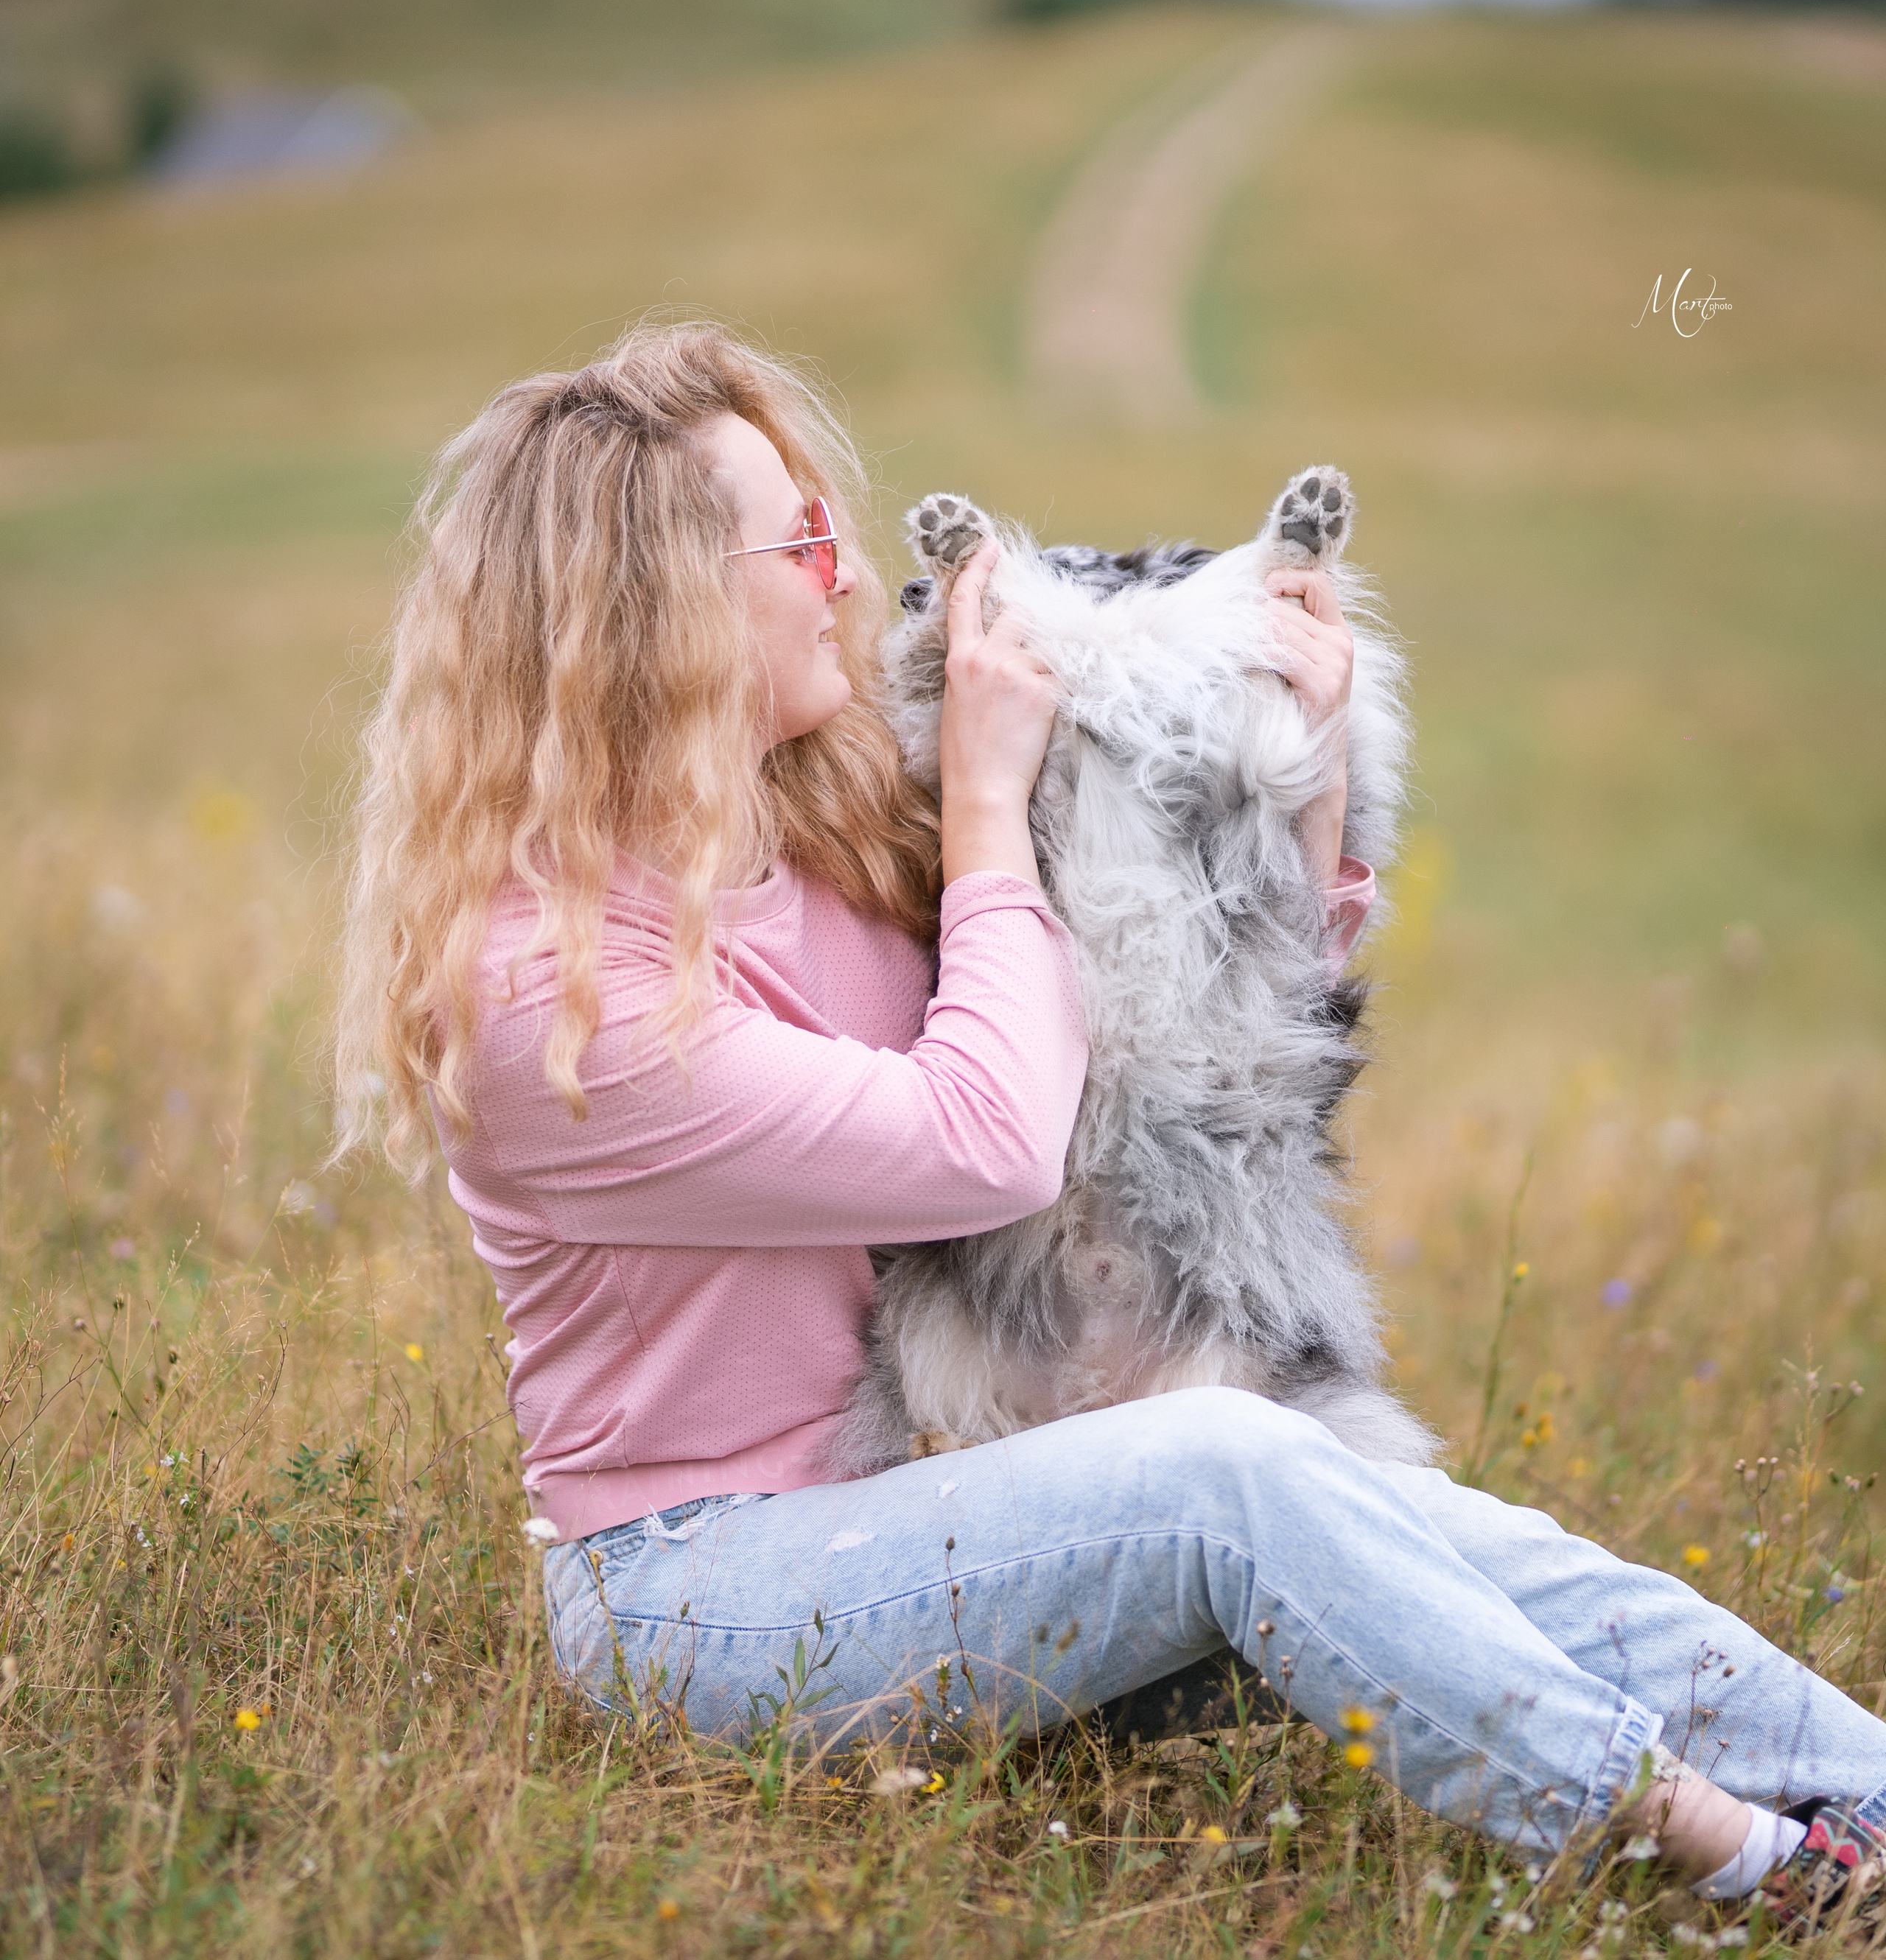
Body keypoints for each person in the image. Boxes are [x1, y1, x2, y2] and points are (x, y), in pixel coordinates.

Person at [336, 320, 1886, 1921]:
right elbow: (986, 1140)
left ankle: (1874, 1792)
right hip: (708, 1594)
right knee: (1234, 1466)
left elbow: (1169, 1038)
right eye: (798, 544)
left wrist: (1309, 769)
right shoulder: (549, 999)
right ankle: (1759, 1868)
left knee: (1419, 1524)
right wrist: (985, 806)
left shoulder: (803, 830)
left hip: (961, 1497)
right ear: (655, 606)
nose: (849, 578)